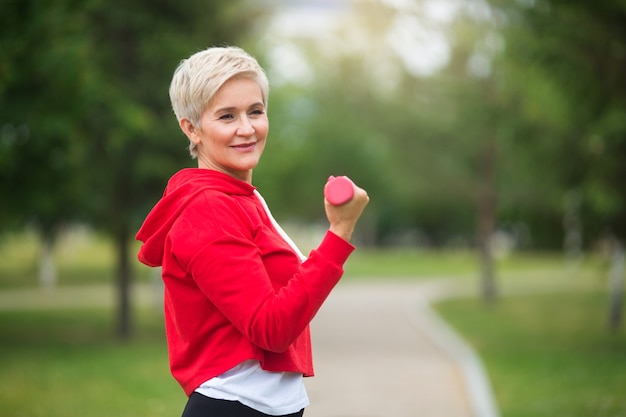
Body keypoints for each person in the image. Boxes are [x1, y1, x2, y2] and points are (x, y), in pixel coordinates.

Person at [135, 46, 369, 417]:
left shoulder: (241, 198)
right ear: (191, 128)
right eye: (227, 116)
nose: (247, 128)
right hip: (235, 407)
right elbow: (271, 328)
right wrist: (339, 233)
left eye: (255, 111)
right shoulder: (207, 209)